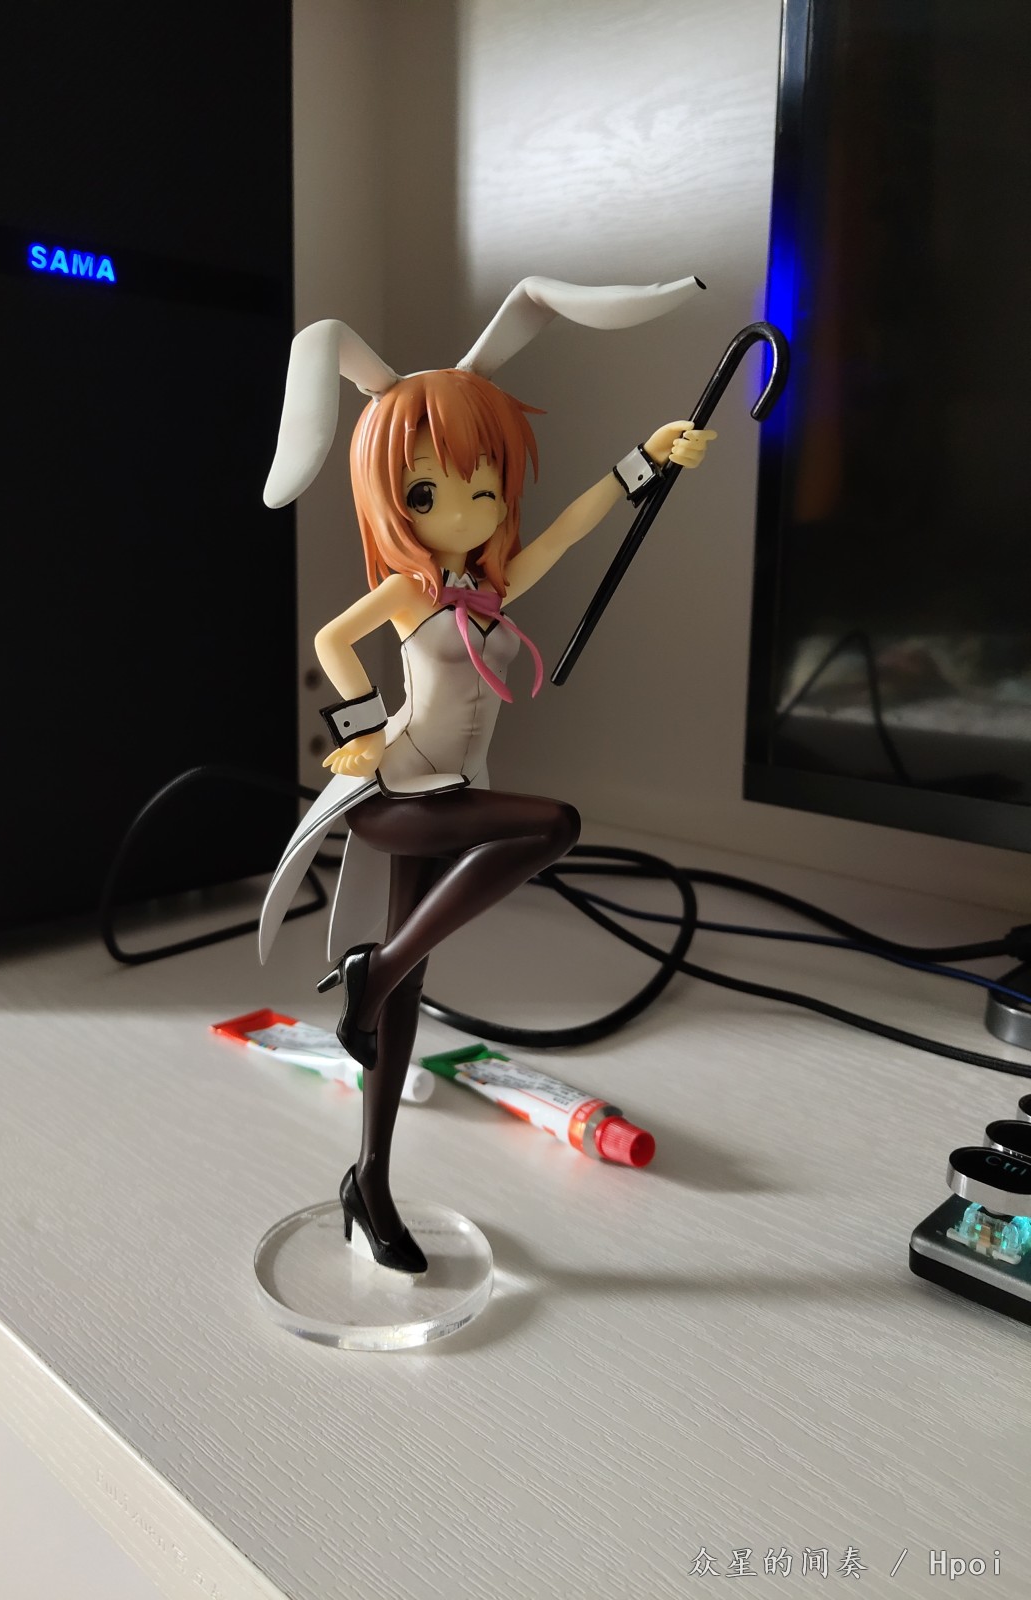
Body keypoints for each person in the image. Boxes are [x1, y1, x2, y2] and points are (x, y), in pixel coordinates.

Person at [258, 278, 714, 1273]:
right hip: (399, 795)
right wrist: (358, 731)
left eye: (484, 488)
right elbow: (333, 641)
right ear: (392, 502)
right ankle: (373, 974)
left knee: (410, 988)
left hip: (455, 791)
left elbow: (573, 529)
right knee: (552, 824)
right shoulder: (406, 591)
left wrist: (647, 459)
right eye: (428, 494)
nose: (464, 510)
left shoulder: (493, 585)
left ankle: (370, 1179)